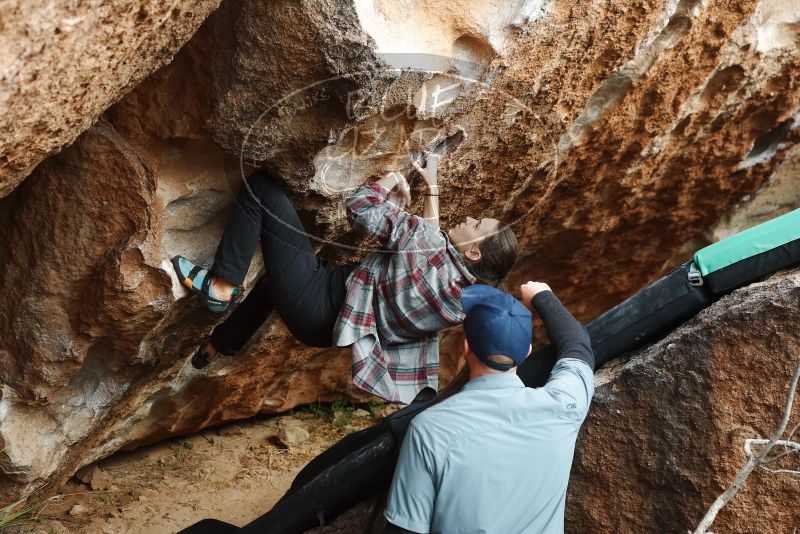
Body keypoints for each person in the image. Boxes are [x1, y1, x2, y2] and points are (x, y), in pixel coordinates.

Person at [171, 154, 518, 403]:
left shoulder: (424, 244)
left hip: (317, 296)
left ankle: (221, 285)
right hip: (325, 330)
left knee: (261, 190)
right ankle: (219, 345)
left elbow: (360, 205)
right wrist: (432, 186)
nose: (471, 217)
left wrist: (391, 181)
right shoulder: (462, 297)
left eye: (476, 225)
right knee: (272, 283)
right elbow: (434, 248)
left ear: (473, 252)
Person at [383, 282, 595, 534]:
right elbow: (577, 346)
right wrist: (541, 294)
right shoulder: (564, 405)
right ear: (527, 351)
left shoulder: (430, 430)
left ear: (465, 348)